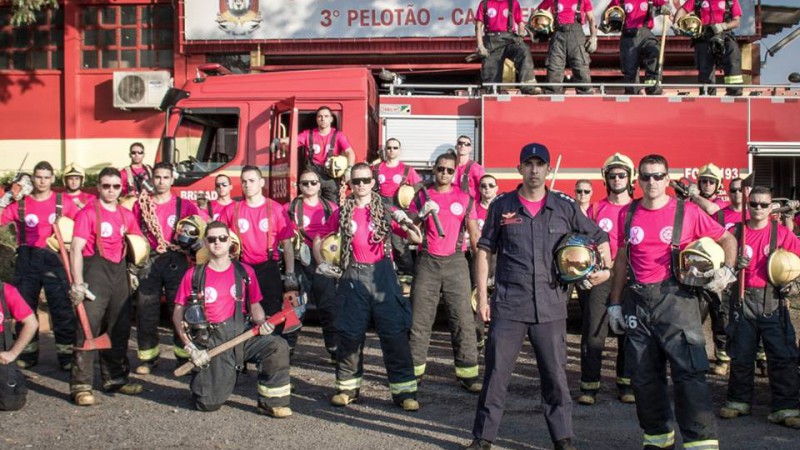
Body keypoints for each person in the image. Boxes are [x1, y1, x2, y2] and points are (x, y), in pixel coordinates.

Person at [468, 143, 611, 450]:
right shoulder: (502, 206)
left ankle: (563, 439)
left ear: (547, 169)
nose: (534, 170)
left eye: (540, 164)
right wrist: (482, 298)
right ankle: (482, 439)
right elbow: (484, 251)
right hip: (509, 305)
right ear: (519, 168)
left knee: (556, 377)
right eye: (528, 164)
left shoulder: (564, 206)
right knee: (495, 376)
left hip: (551, 306)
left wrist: (606, 270)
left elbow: (600, 238)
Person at [608, 154, 737, 450]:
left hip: (677, 302)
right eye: (646, 176)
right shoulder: (626, 214)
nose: (651, 181)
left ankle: (700, 442)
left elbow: (727, 240)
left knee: (689, 376)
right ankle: (657, 439)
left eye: (658, 176)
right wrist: (615, 302)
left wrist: (727, 271)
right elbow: (621, 261)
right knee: (643, 379)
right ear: (637, 180)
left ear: (668, 179)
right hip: (638, 304)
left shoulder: (688, 212)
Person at [313, 162, 422, 411]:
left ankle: (404, 392)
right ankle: (347, 388)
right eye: (356, 181)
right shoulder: (342, 212)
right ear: (350, 184)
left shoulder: (386, 210)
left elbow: (416, 239)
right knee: (349, 335)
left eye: (365, 180)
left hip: (382, 276)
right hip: (353, 276)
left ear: (373, 183)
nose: (360, 185)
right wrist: (321, 263)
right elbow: (319, 237)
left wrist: (406, 220)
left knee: (394, 334)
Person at [173, 221, 292, 417]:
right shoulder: (193, 275)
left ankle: (271, 403)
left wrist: (262, 323)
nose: (217, 243)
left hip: (242, 334)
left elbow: (254, 305)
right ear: (205, 243)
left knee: (276, 345)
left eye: (222, 238)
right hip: (212, 340)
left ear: (230, 242)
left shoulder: (245, 272)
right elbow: (178, 312)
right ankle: (209, 381)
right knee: (207, 404)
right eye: (211, 239)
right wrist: (190, 347)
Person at [718, 186, 800, 428]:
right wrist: (732, 263)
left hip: (773, 300)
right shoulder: (735, 232)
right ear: (748, 204)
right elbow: (718, 264)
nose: (759, 209)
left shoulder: (783, 234)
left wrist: (793, 286)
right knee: (741, 354)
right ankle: (738, 402)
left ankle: (785, 408)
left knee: (782, 355)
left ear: (771, 206)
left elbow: (798, 266)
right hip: (742, 298)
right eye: (754, 203)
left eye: (764, 204)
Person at [69, 167, 144, 406]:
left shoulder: (126, 214)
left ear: (121, 189)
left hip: (119, 272)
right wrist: (78, 282)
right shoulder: (88, 213)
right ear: (98, 187)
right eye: (106, 186)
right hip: (95, 271)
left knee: (119, 327)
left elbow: (137, 244)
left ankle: (116, 379)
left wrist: (133, 271)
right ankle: (81, 385)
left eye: (115, 186)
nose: (111, 190)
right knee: (87, 327)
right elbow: (75, 249)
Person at [408, 152, 482, 392]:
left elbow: (474, 237)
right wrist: (420, 215)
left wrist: (481, 266)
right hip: (427, 262)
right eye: (440, 169)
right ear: (434, 169)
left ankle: (467, 373)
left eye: (450, 170)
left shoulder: (465, 198)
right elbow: (408, 227)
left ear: (455, 172)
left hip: (456, 263)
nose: (444, 174)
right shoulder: (422, 196)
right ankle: (414, 373)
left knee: (462, 320)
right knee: (420, 321)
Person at [0, 161, 80, 370]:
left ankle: (65, 357)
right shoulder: (20, 204)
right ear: (32, 178)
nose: (42, 181)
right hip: (27, 259)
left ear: (52, 179)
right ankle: (27, 353)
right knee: (26, 308)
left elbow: (82, 226)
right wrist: (8, 196)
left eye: (46, 177)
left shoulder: (64, 202)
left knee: (61, 308)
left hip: (56, 260)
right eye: (38, 177)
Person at [219, 166, 298, 352]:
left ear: (262, 183)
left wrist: (290, 274)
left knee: (273, 315)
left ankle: (273, 353)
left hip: (268, 268)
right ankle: (239, 357)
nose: (247, 185)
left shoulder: (276, 209)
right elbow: (218, 240)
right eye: (244, 181)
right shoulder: (232, 210)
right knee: (239, 313)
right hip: (241, 268)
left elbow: (287, 244)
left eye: (252, 180)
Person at [132, 162, 201, 374]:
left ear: (172, 179)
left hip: (176, 260)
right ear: (153, 179)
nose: (161, 181)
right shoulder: (141, 205)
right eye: (158, 177)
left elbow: (199, 229)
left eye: (165, 177)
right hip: (149, 260)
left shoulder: (185, 206)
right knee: (146, 310)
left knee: (179, 309)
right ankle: (148, 358)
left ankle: (182, 356)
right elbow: (132, 232)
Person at [577, 153, 634, 406]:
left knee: (628, 333)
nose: (617, 179)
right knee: (594, 333)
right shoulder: (595, 208)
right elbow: (581, 241)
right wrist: (583, 273)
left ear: (629, 178)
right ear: (606, 179)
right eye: (612, 175)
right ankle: (590, 386)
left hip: (631, 277)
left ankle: (626, 384)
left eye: (622, 175)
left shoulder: (638, 208)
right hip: (601, 277)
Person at [284, 170, 339, 363]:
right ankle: (287, 349)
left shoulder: (331, 208)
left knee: (329, 307)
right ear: (299, 186)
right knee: (294, 308)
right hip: (300, 263)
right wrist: (289, 271)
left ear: (319, 185)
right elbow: (284, 239)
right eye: (305, 183)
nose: (309, 186)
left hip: (323, 263)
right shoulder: (290, 208)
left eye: (313, 183)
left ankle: (334, 350)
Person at [688, 163, 732, 374]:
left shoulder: (722, 206)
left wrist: (695, 197)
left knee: (719, 313)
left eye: (711, 181)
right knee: (694, 314)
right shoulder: (689, 205)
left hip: (717, 267)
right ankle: (695, 355)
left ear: (718, 185)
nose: (707, 184)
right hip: (696, 266)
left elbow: (712, 210)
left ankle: (722, 356)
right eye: (703, 181)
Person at [373, 137, 422, 276]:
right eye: (389, 147)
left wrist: (416, 214)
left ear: (399, 150)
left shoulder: (407, 169)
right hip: (380, 210)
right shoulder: (376, 168)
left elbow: (418, 189)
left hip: (398, 211)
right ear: (385, 150)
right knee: (380, 243)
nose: (391, 150)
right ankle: (382, 274)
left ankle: (406, 275)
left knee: (399, 245)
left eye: (395, 147)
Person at [675, 0, 744, 96]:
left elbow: (737, 21)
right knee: (704, 65)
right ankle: (707, 94)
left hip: (723, 33)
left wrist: (723, 26)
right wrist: (677, 24)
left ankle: (734, 91)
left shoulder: (731, 1)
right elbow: (682, 10)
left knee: (732, 50)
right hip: (703, 35)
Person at [605, 0, 670, 95]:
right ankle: (633, 93)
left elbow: (664, 4)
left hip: (645, 33)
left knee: (655, 51)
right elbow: (609, 12)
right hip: (628, 35)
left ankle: (653, 88)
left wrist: (666, 7)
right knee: (629, 67)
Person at [474, 0, 539, 94]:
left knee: (523, 49)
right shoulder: (484, 3)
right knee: (491, 77)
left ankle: (528, 86)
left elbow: (520, 22)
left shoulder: (513, 3)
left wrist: (521, 33)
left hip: (510, 39)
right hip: (491, 41)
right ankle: (492, 96)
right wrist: (480, 46)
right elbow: (478, 26)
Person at [534, 0, 597, 95]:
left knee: (581, 67)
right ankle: (552, 98)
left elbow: (592, 18)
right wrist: (538, 27)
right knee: (554, 68)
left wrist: (593, 37)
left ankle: (586, 98)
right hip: (558, 34)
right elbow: (537, 12)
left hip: (576, 35)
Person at [297, 106, 356, 203]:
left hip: (331, 178)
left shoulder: (338, 135)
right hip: (313, 177)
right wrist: (279, 141)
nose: (323, 119)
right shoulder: (308, 134)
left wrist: (349, 170)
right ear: (316, 119)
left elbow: (350, 153)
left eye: (326, 116)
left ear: (331, 119)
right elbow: (291, 141)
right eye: (320, 116)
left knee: (333, 207)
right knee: (311, 203)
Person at [0, 281, 38, 411]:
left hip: (1, 349)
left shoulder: (6, 291)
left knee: (11, 401)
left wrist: (12, 354)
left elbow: (31, 323)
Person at [454, 136, 486, 200]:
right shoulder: (449, 167)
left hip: (470, 207)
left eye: (467, 144)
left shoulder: (477, 169)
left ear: (470, 149)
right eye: (460, 143)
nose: (463, 146)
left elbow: (484, 189)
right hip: (452, 206)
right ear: (456, 147)